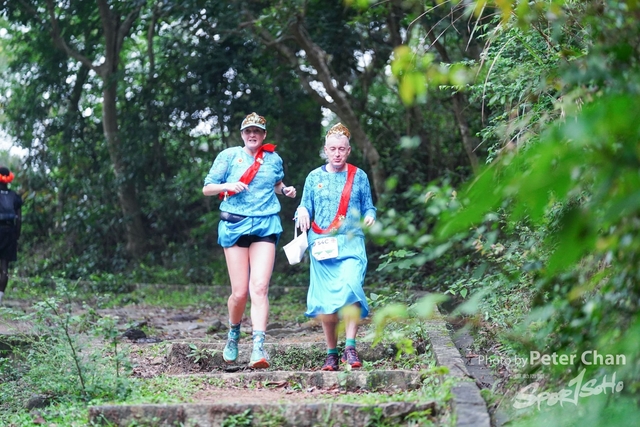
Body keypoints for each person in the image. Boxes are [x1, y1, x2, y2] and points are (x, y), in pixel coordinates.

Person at [202, 112, 296, 369]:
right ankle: (233, 333)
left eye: (257, 131)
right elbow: (208, 188)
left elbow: (276, 184)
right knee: (240, 292)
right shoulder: (229, 156)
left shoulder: (274, 158)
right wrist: (228, 186)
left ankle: (258, 347)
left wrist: (285, 190)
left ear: (264, 135)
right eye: (248, 131)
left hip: (265, 224)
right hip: (235, 225)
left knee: (260, 288)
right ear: (242, 134)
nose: (252, 135)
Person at [296, 123, 376, 371]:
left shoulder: (359, 176)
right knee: (326, 301)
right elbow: (304, 205)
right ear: (325, 150)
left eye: (342, 149)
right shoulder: (314, 177)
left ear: (348, 150)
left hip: (351, 242)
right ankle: (332, 353)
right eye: (333, 149)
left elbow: (369, 206)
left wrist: (370, 215)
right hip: (322, 245)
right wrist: (301, 210)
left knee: (352, 288)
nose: (337, 153)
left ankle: (350, 347)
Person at [0, 166, 23, 305]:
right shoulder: (15, 196)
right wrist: (17, 235)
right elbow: (19, 219)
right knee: (4, 266)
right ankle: (0, 297)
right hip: (9, 232)